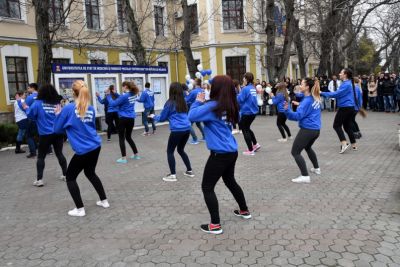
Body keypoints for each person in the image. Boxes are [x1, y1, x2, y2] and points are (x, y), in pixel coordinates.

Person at [188, 75, 251, 235]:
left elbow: (191, 116)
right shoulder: (231, 104)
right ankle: (244, 210)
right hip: (231, 151)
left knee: (207, 187)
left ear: (216, 89)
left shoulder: (213, 106)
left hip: (220, 154)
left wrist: (197, 101)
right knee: (230, 181)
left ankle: (215, 225)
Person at [54, 80, 109, 217]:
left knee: (70, 177)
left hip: (83, 150)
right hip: (95, 146)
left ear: (73, 92)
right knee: (90, 173)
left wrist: (57, 115)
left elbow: (57, 129)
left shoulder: (68, 108)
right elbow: (89, 127)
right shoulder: (90, 108)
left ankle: (80, 209)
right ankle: (104, 201)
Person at [149, 82, 194, 182]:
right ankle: (189, 171)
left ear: (171, 90)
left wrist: (153, 116)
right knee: (181, 150)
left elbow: (162, 118)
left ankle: (173, 175)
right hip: (187, 129)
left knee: (170, 151)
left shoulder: (169, 103)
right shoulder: (183, 101)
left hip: (177, 130)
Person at [25, 84, 68, 187]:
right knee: (59, 154)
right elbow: (61, 116)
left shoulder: (37, 103)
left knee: (41, 156)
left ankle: (39, 180)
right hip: (58, 133)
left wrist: (27, 108)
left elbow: (30, 115)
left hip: (45, 134)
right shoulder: (57, 103)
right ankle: (66, 175)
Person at [284, 78, 321, 183]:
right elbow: (302, 97)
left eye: (302, 84)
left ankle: (305, 176)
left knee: (295, 152)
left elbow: (297, 116)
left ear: (307, 87)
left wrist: (287, 110)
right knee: (308, 147)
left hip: (307, 130)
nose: (300, 86)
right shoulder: (315, 96)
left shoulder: (306, 102)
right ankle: (316, 168)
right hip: (316, 130)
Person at [320, 68, 358, 153]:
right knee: (347, 127)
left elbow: (337, 94)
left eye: (341, 73)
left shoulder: (346, 84)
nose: (339, 74)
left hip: (345, 107)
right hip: (349, 107)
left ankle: (344, 143)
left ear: (345, 75)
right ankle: (354, 144)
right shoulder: (347, 83)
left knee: (336, 125)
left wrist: (321, 93)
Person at [107, 81, 141, 163]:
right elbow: (124, 99)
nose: (121, 88)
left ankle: (123, 158)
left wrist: (108, 95)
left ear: (125, 86)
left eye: (122, 86)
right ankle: (136, 155)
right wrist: (116, 94)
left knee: (121, 138)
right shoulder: (133, 94)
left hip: (123, 119)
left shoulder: (125, 96)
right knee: (128, 137)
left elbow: (113, 104)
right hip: (131, 119)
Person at [237, 72, 261, 156]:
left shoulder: (245, 89)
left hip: (247, 112)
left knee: (244, 129)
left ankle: (250, 150)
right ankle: (255, 144)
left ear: (246, 79)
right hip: (253, 112)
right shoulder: (252, 87)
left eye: (244, 78)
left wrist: (238, 93)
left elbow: (240, 99)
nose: (243, 79)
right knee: (247, 128)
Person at [20, 83, 39, 158]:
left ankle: (33, 152)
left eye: (28, 88)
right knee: (41, 134)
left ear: (33, 88)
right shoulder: (41, 95)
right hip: (40, 118)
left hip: (31, 118)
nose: (27, 90)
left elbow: (24, 107)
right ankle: (48, 150)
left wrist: (21, 100)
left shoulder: (30, 97)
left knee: (28, 136)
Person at [185, 78, 205, 144]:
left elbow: (186, 100)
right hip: (200, 109)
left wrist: (186, 94)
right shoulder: (202, 90)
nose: (193, 82)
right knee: (198, 123)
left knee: (188, 124)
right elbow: (200, 100)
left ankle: (195, 139)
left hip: (194, 110)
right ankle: (204, 136)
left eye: (194, 82)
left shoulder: (193, 91)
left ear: (196, 83)